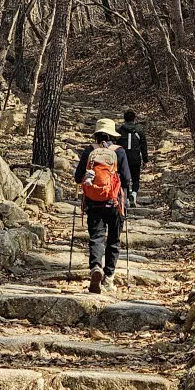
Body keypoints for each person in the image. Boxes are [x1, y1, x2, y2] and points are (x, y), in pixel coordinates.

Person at [75, 117, 131, 294]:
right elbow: (127, 179)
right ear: (113, 134)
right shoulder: (119, 152)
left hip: (93, 202)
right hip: (114, 202)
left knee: (96, 237)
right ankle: (108, 278)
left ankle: (96, 267)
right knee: (113, 240)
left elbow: (78, 177)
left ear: (97, 135)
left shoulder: (89, 151)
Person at [118, 109, 148, 207]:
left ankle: (126, 198)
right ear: (134, 119)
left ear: (124, 119)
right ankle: (134, 195)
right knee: (135, 179)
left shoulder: (120, 130)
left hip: (123, 158)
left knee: (124, 178)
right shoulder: (139, 130)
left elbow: (116, 146)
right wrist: (145, 160)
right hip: (135, 158)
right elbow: (143, 146)